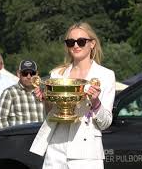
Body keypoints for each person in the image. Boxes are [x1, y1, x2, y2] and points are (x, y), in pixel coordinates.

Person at [30, 22, 116, 169]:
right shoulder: (57, 74)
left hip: (87, 152)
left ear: (92, 44)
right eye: (70, 42)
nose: (76, 46)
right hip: (56, 148)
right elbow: (50, 114)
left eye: (81, 42)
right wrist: (45, 99)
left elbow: (105, 123)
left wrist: (95, 102)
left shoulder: (106, 75)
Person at [0, 60, 45, 128]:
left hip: (39, 137)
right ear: (19, 74)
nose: (29, 76)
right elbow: (0, 120)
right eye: (25, 73)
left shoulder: (43, 93)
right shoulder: (9, 93)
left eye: (32, 73)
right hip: (18, 137)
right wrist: (10, 137)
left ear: (36, 74)